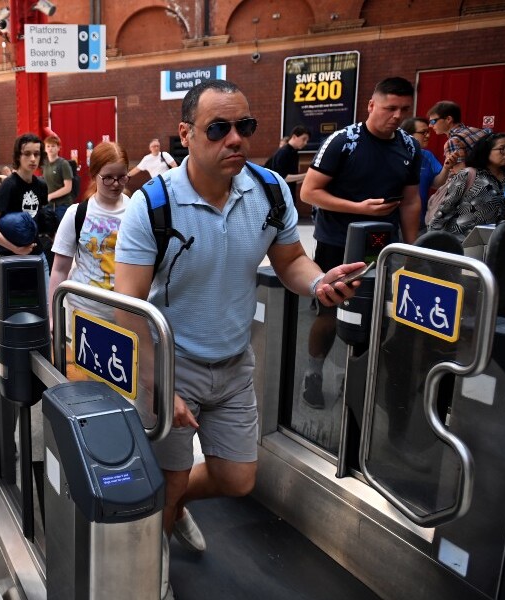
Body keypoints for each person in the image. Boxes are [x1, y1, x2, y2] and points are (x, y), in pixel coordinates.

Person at [114, 80, 362, 600]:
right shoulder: (153, 205)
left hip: (233, 362)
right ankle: (151, 572)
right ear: (186, 134)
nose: (235, 139)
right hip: (171, 363)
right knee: (170, 478)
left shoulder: (268, 191)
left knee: (238, 477)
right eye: (218, 128)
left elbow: (290, 260)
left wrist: (319, 282)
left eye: (244, 126)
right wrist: (158, 385)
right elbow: (129, 308)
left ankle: (172, 505)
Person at [299, 76, 422, 409]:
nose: (397, 116)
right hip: (337, 241)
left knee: (375, 315)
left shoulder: (410, 147)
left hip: (381, 246)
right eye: (390, 108)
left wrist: (413, 250)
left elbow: (411, 201)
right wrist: (358, 208)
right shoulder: (344, 141)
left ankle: (355, 380)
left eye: (405, 109)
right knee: (329, 313)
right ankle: (313, 373)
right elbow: (309, 192)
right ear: (371, 105)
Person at [49, 141, 129, 324]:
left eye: (122, 177)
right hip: (85, 312)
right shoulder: (76, 214)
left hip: (126, 313)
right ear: (94, 175)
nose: (116, 184)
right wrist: (53, 317)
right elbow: (59, 269)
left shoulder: (136, 212)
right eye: (108, 178)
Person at [428, 133, 505, 236]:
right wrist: (432, 239)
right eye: (502, 149)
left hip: (492, 240)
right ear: (486, 151)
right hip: (459, 239)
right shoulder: (468, 174)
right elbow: (444, 209)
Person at [0, 133, 48, 257]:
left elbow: (40, 220)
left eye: (36, 154)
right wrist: (15, 249)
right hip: (12, 257)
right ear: (18, 156)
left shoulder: (41, 185)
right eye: (27, 154)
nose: (33, 159)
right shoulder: (10, 184)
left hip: (37, 253)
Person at [400, 117, 445, 229]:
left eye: (428, 132)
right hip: (395, 220)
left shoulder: (427, 156)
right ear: (408, 135)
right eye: (423, 132)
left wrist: (447, 167)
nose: (428, 136)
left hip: (419, 221)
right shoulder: (395, 155)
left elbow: (437, 184)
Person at [427, 100, 490, 180]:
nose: (430, 125)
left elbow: (461, 177)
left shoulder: (453, 142)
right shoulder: (479, 131)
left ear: (448, 119)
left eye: (433, 121)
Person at [42, 134, 76, 267]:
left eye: (53, 146)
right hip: (49, 206)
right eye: (48, 146)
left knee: (63, 236)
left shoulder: (63, 164)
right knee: (49, 236)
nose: (50, 148)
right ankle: (52, 264)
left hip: (63, 205)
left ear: (58, 148)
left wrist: (51, 196)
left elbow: (68, 187)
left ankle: (64, 265)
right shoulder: (45, 165)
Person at [263, 125, 310, 202]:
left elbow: (293, 179)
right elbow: (282, 177)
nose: (305, 143)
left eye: (307, 141)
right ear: (294, 137)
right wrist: (307, 175)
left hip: (289, 196)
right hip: (279, 197)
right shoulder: (283, 152)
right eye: (304, 139)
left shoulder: (294, 153)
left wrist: (308, 177)